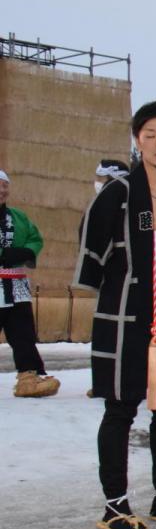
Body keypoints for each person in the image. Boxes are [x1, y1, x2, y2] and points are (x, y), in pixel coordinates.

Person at [74, 101, 156, 529]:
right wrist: (116, 293)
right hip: (128, 312)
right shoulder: (120, 192)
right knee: (120, 407)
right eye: (150, 136)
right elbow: (91, 248)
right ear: (137, 142)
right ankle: (115, 504)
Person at [1, 169, 60, 398]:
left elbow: (35, 238)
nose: (2, 190)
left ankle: (28, 377)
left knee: (23, 333)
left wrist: (26, 252)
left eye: (5, 185)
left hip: (16, 285)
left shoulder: (19, 217)